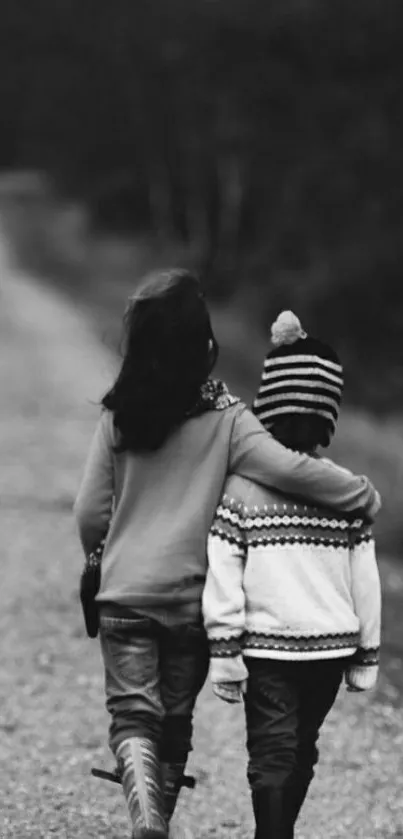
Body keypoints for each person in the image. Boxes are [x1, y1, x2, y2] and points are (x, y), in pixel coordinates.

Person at [74, 277, 380, 839]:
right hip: (191, 601)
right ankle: (156, 811)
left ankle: (146, 813)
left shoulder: (118, 417)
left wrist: (102, 557)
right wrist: (360, 495)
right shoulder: (229, 420)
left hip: (123, 596)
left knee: (133, 714)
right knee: (174, 720)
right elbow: (290, 469)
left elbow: (90, 511)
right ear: (205, 348)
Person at [203, 310, 382, 839]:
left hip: (268, 649)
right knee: (301, 747)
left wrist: (224, 650)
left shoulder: (241, 490)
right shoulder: (345, 492)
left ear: (268, 407)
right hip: (330, 650)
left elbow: (222, 570)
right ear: (329, 415)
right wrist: (367, 652)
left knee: (274, 750)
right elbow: (365, 581)